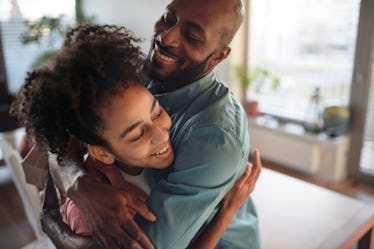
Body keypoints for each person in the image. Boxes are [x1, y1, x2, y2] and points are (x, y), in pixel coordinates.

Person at [18, 0, 261, 248]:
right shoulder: (137, 76)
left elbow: (146, 245)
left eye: (192, 36)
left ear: (218, 56)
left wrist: (54, 226)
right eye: (168, 18)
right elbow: (62, 133)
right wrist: (78, 184)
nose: (166, 37)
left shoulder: (215, 138)